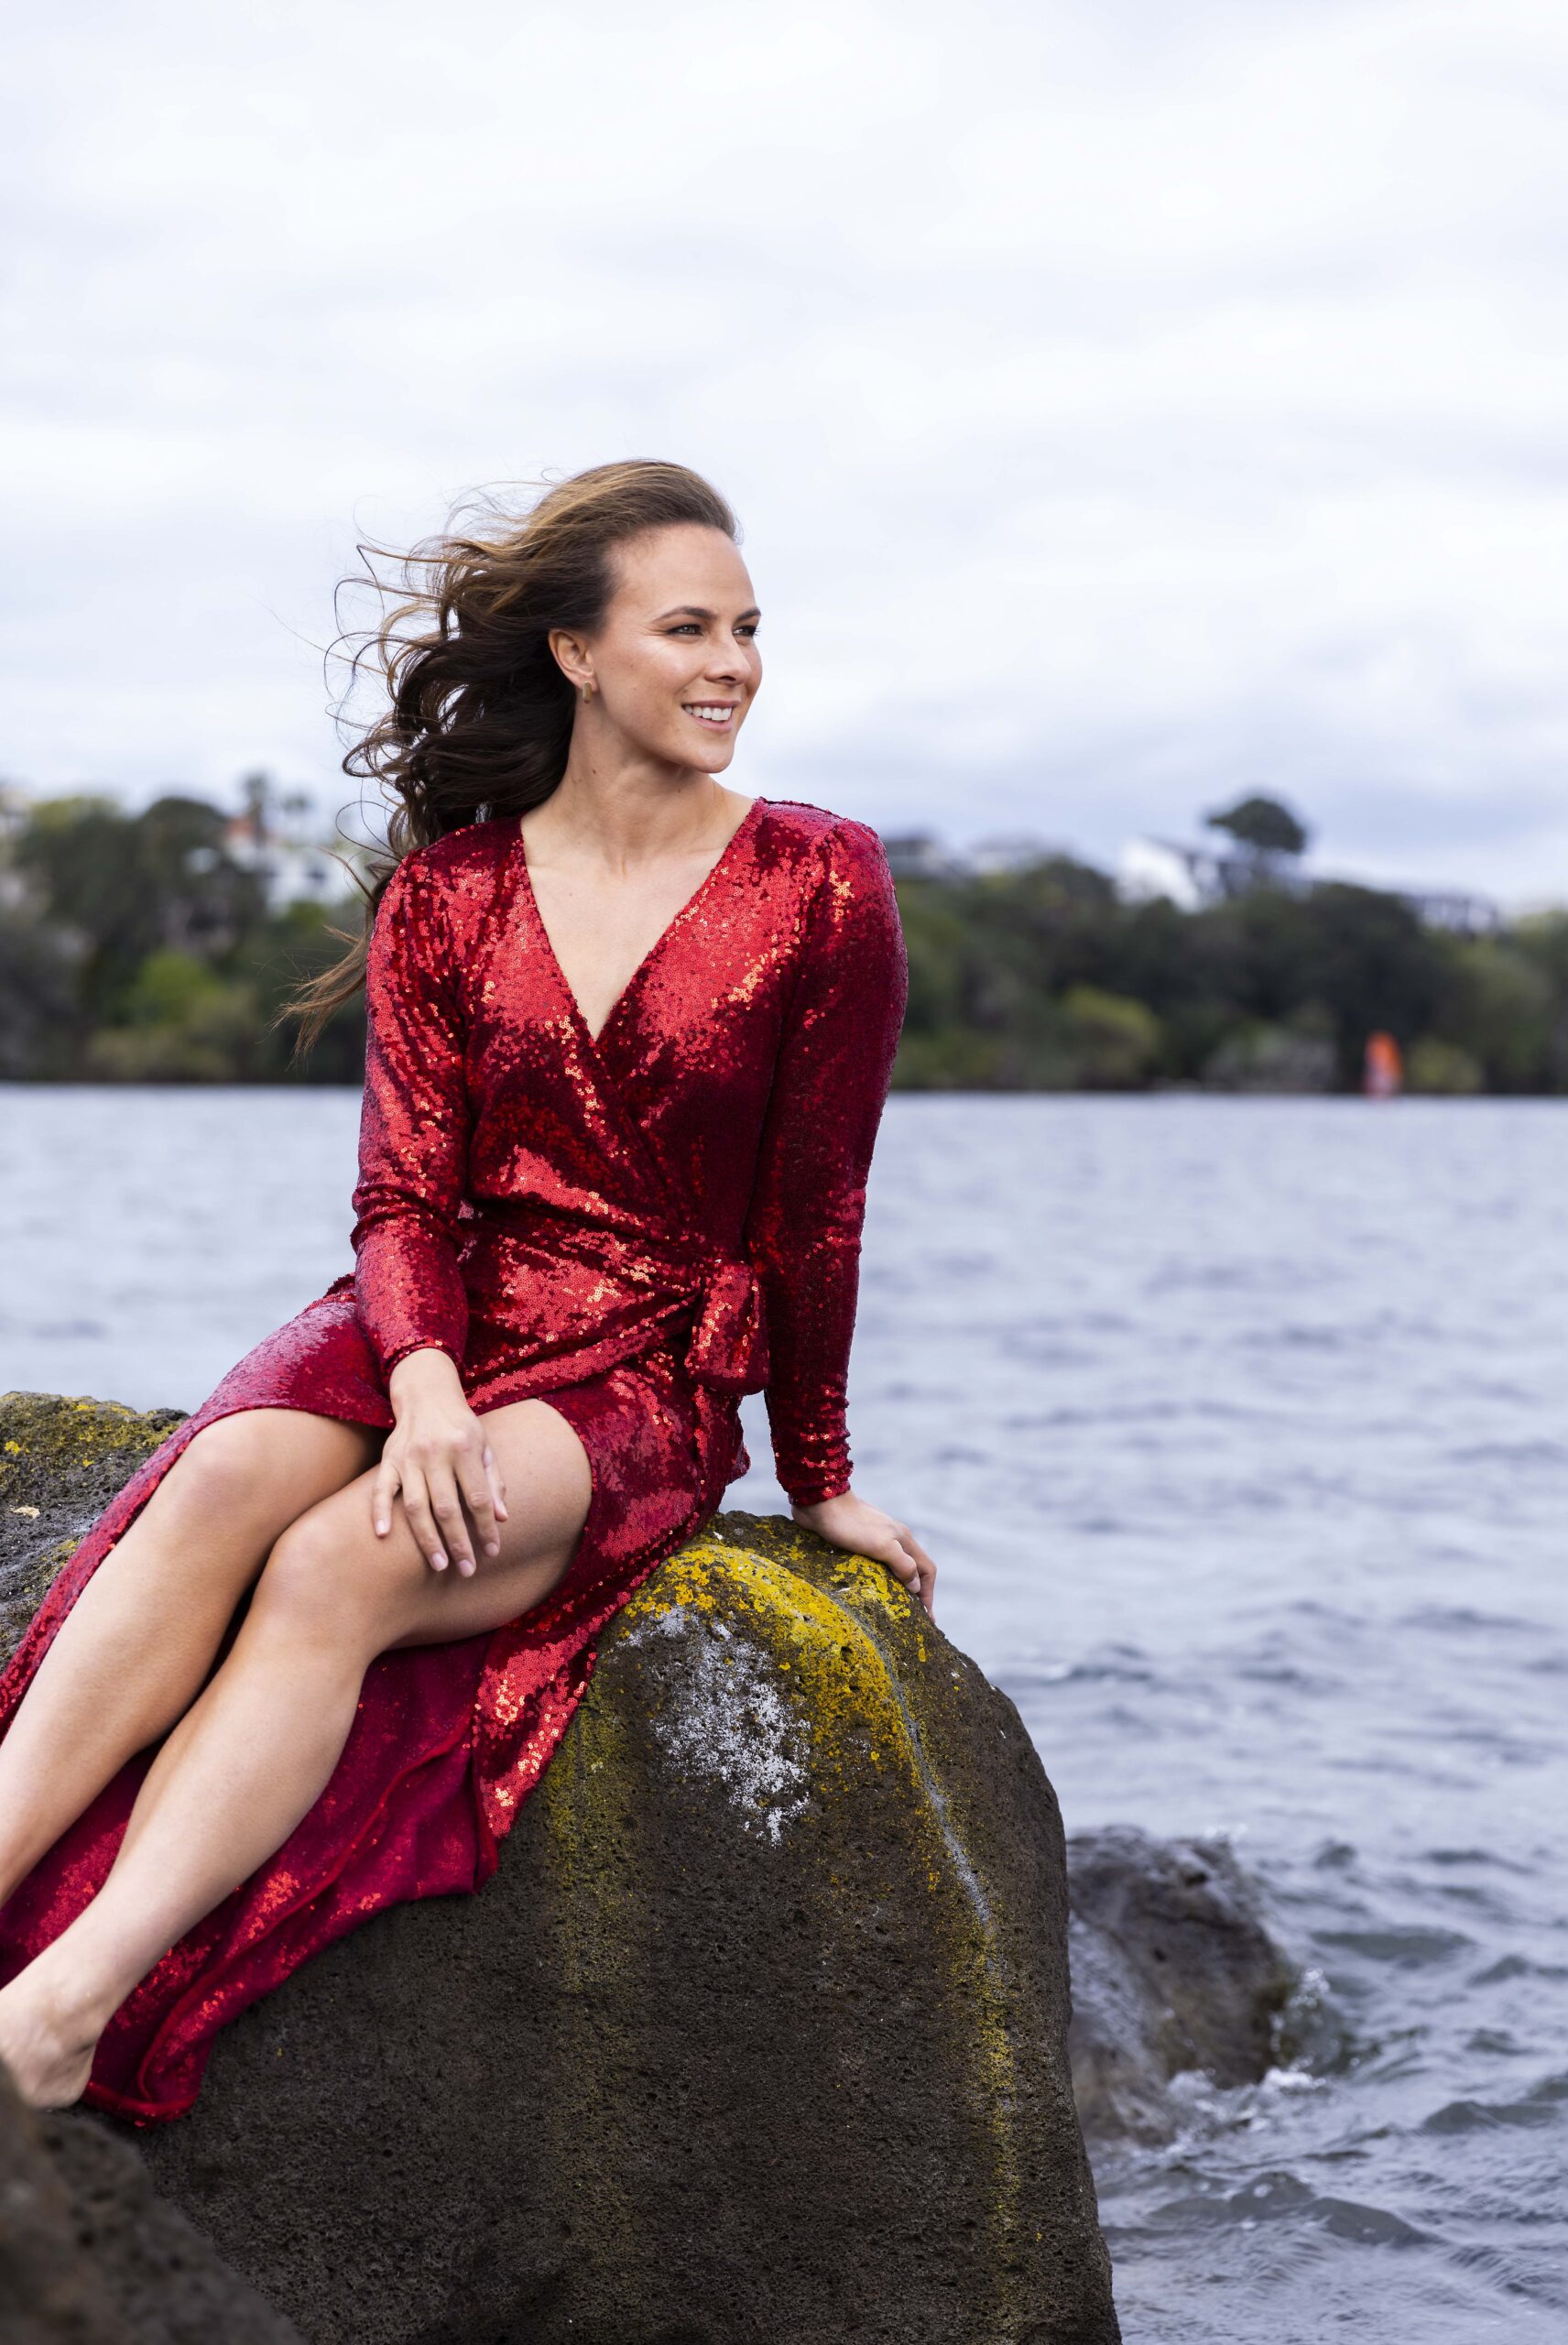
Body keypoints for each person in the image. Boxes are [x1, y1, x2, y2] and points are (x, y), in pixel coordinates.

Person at [0, 460, 931, 2118]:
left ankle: (65, 2002)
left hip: (639, 1356)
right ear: (577, 654)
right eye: (688, 629)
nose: (733, 665)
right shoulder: (451, 894)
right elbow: (400, 1191)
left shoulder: (820, 883)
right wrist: (423, 1381)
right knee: (217, 1476)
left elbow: (820, 1208)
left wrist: (823, 1477)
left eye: (748, 630)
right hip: (433, 1307)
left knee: (341, 1567)